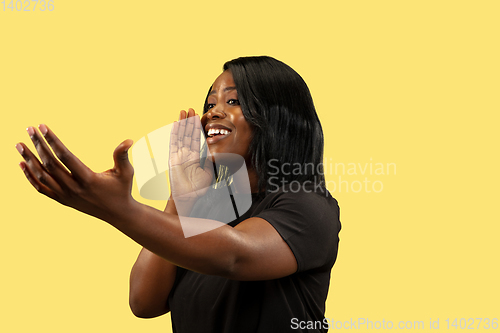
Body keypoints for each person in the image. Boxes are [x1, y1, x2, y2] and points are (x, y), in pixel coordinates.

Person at [16, 56, 341, 333]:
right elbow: (144, 302)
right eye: (210, 103)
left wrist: (118, 209)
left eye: (233, 101)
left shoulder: (309, 206)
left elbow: (234, 256)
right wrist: (180, 197)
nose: (212, 112)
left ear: (278, 118)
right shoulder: (210, 209)